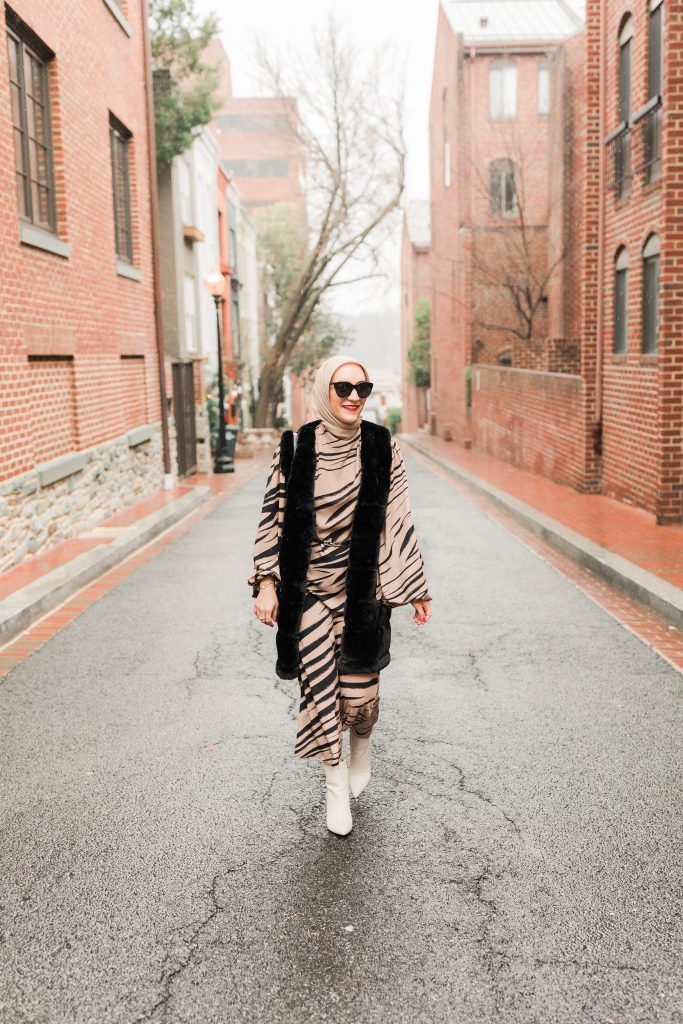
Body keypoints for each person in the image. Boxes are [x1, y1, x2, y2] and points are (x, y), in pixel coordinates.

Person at [249, 355, 432, 836]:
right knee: (322, 693)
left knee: (360, 696)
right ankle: (333, 785)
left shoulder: (381, 445)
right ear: (323, 391)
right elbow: (273, 516)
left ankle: (363, 743)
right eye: (343, 387)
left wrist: (414, 585)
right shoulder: (295, 446)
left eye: (363, 388)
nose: (354, 396)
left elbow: (398, 516)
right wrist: (267, 582)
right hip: (306, 590)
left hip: (361, 588)